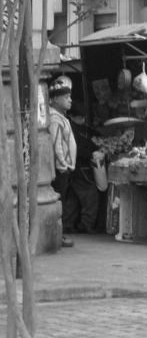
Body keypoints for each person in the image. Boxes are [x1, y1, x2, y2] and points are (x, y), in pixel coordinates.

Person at [64, 101, 101, 235]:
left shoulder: (80, 127)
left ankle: (67, 224)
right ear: (72, 116)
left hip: (74, 168)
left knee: (74, 197)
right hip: (81, 168)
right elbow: (76, 149)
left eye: (84, 117)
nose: (83, 120)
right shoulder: (71, 128)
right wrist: (92, 151)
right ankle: (86, 225)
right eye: (80, 117)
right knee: (90, 196)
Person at [48, 75, 77, 247]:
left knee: (63, 201)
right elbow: (56, 144)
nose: (70, 101)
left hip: (65, 167)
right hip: (61, 169)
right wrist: (63, 165)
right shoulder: (54, 119)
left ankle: (59, 234)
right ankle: (57, 235)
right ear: (56, 99)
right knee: (59, 202)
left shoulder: (61, 117)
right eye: (66, 98)